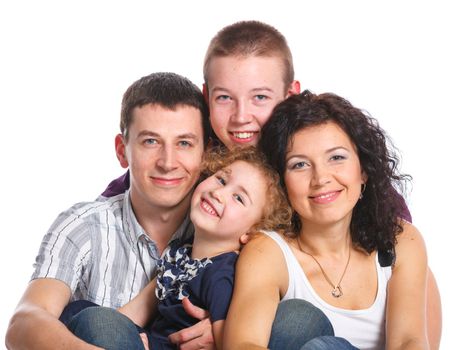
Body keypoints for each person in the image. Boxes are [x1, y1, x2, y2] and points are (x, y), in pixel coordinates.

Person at [101, 20, 441, 348]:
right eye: (224, 98)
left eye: (260, 98)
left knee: (297, 320)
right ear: (206, 98)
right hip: (203, 321)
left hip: (298, 328)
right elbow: (133, 207)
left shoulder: (341, 177)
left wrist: (225, 327)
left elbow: (413, 291)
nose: (241, 117)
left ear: (290, 94)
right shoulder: (194, 169)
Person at [5, 72, 212, 350]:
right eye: (150, 141)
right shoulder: (84, 226)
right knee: (100, 323)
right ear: (122, 150)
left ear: (206, 153)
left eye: (184, 143)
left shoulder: (223, 226)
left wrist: (228, 327)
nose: (168, 162)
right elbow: (25, 322)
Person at [224, 91, 430, 349]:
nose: (321, 178)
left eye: (336, 158)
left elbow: (409, 342)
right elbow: (243, 343)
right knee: (296, 319)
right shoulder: (268, 251)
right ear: (281, 182)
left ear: (363, 170)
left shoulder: (401, 241)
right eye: (299, 165)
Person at [65, 146, 292, 350]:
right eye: (221, 180)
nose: (219, 193)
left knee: (95, 320)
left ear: (250, 233)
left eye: (239, 198)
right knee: (80, 311)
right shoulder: (179, 254)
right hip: (147, 341)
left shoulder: (221, 274)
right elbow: (137, 311)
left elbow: (227, 343)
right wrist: (119, 331)